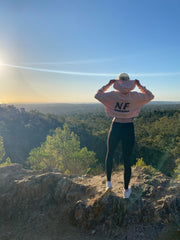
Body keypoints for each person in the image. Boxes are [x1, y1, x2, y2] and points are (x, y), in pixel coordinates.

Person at [94, 73, 154, 198]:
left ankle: (109, 183)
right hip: (128, 127)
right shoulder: (135, 95)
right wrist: (139, 85)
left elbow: (97, 95)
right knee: (127, 159)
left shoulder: (112, 95)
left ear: (118, 81)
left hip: (115, 126)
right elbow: (150, 96)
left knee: (110, 154)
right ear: (129, 82)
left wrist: (109, 84)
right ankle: (126, 190)